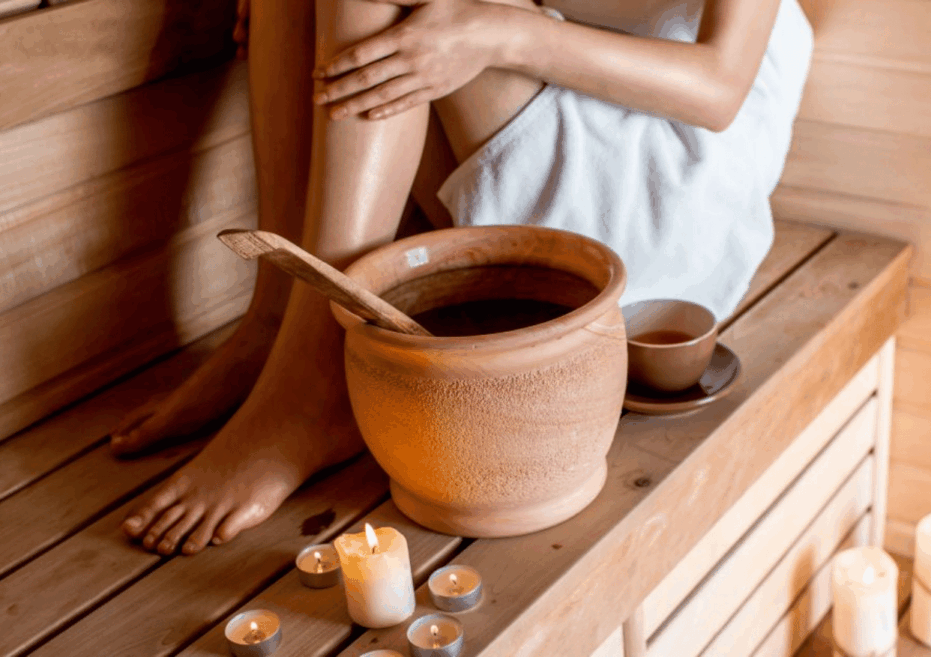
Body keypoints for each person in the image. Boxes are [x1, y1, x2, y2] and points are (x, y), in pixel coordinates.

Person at [113, 0, 814, 555]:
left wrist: (500, 33)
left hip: (668, 178)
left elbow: (718, 88)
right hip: (560, 95)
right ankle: (273, 324)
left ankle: (315, 373)